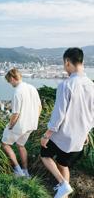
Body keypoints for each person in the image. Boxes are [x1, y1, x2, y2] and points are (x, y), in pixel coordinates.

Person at [40, 47, 94, 198]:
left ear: (68, 62)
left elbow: (58, 115)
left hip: (63, 135)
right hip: (79, 137)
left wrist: (47, 134)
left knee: (44, 154)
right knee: (63, 164)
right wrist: (87, 132)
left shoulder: (66, 85)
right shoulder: (91, 85)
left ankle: (63, 185)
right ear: (82, 62)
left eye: (64, 64)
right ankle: (64, 193)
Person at [2, 68, 42, 178]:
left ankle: (18, 170)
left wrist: (10, 126)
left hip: (20, 125)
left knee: (5, 144)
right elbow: (39, 107)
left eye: (9, 81)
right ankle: (25, 172)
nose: (10, 84)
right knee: (21, 145)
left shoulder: (17, 92)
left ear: (12, 78)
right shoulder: (32, 88)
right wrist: (34, 119)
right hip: (31, 124)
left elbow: (15, 114)